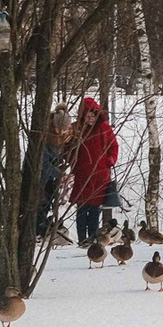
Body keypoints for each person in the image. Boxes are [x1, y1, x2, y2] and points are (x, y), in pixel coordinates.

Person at [70, 97, 120, 244]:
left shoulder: (104, 128)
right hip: (82, 174)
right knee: (81, 208)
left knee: (94, 209)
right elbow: (69, 150)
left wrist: (109, 161)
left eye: (93, 116)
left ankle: (93, 238)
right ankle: (82, 239)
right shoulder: (77, 129)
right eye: (88, 116)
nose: (90, 119)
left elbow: (114, 146)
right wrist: (72, 161)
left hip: (100, 174)